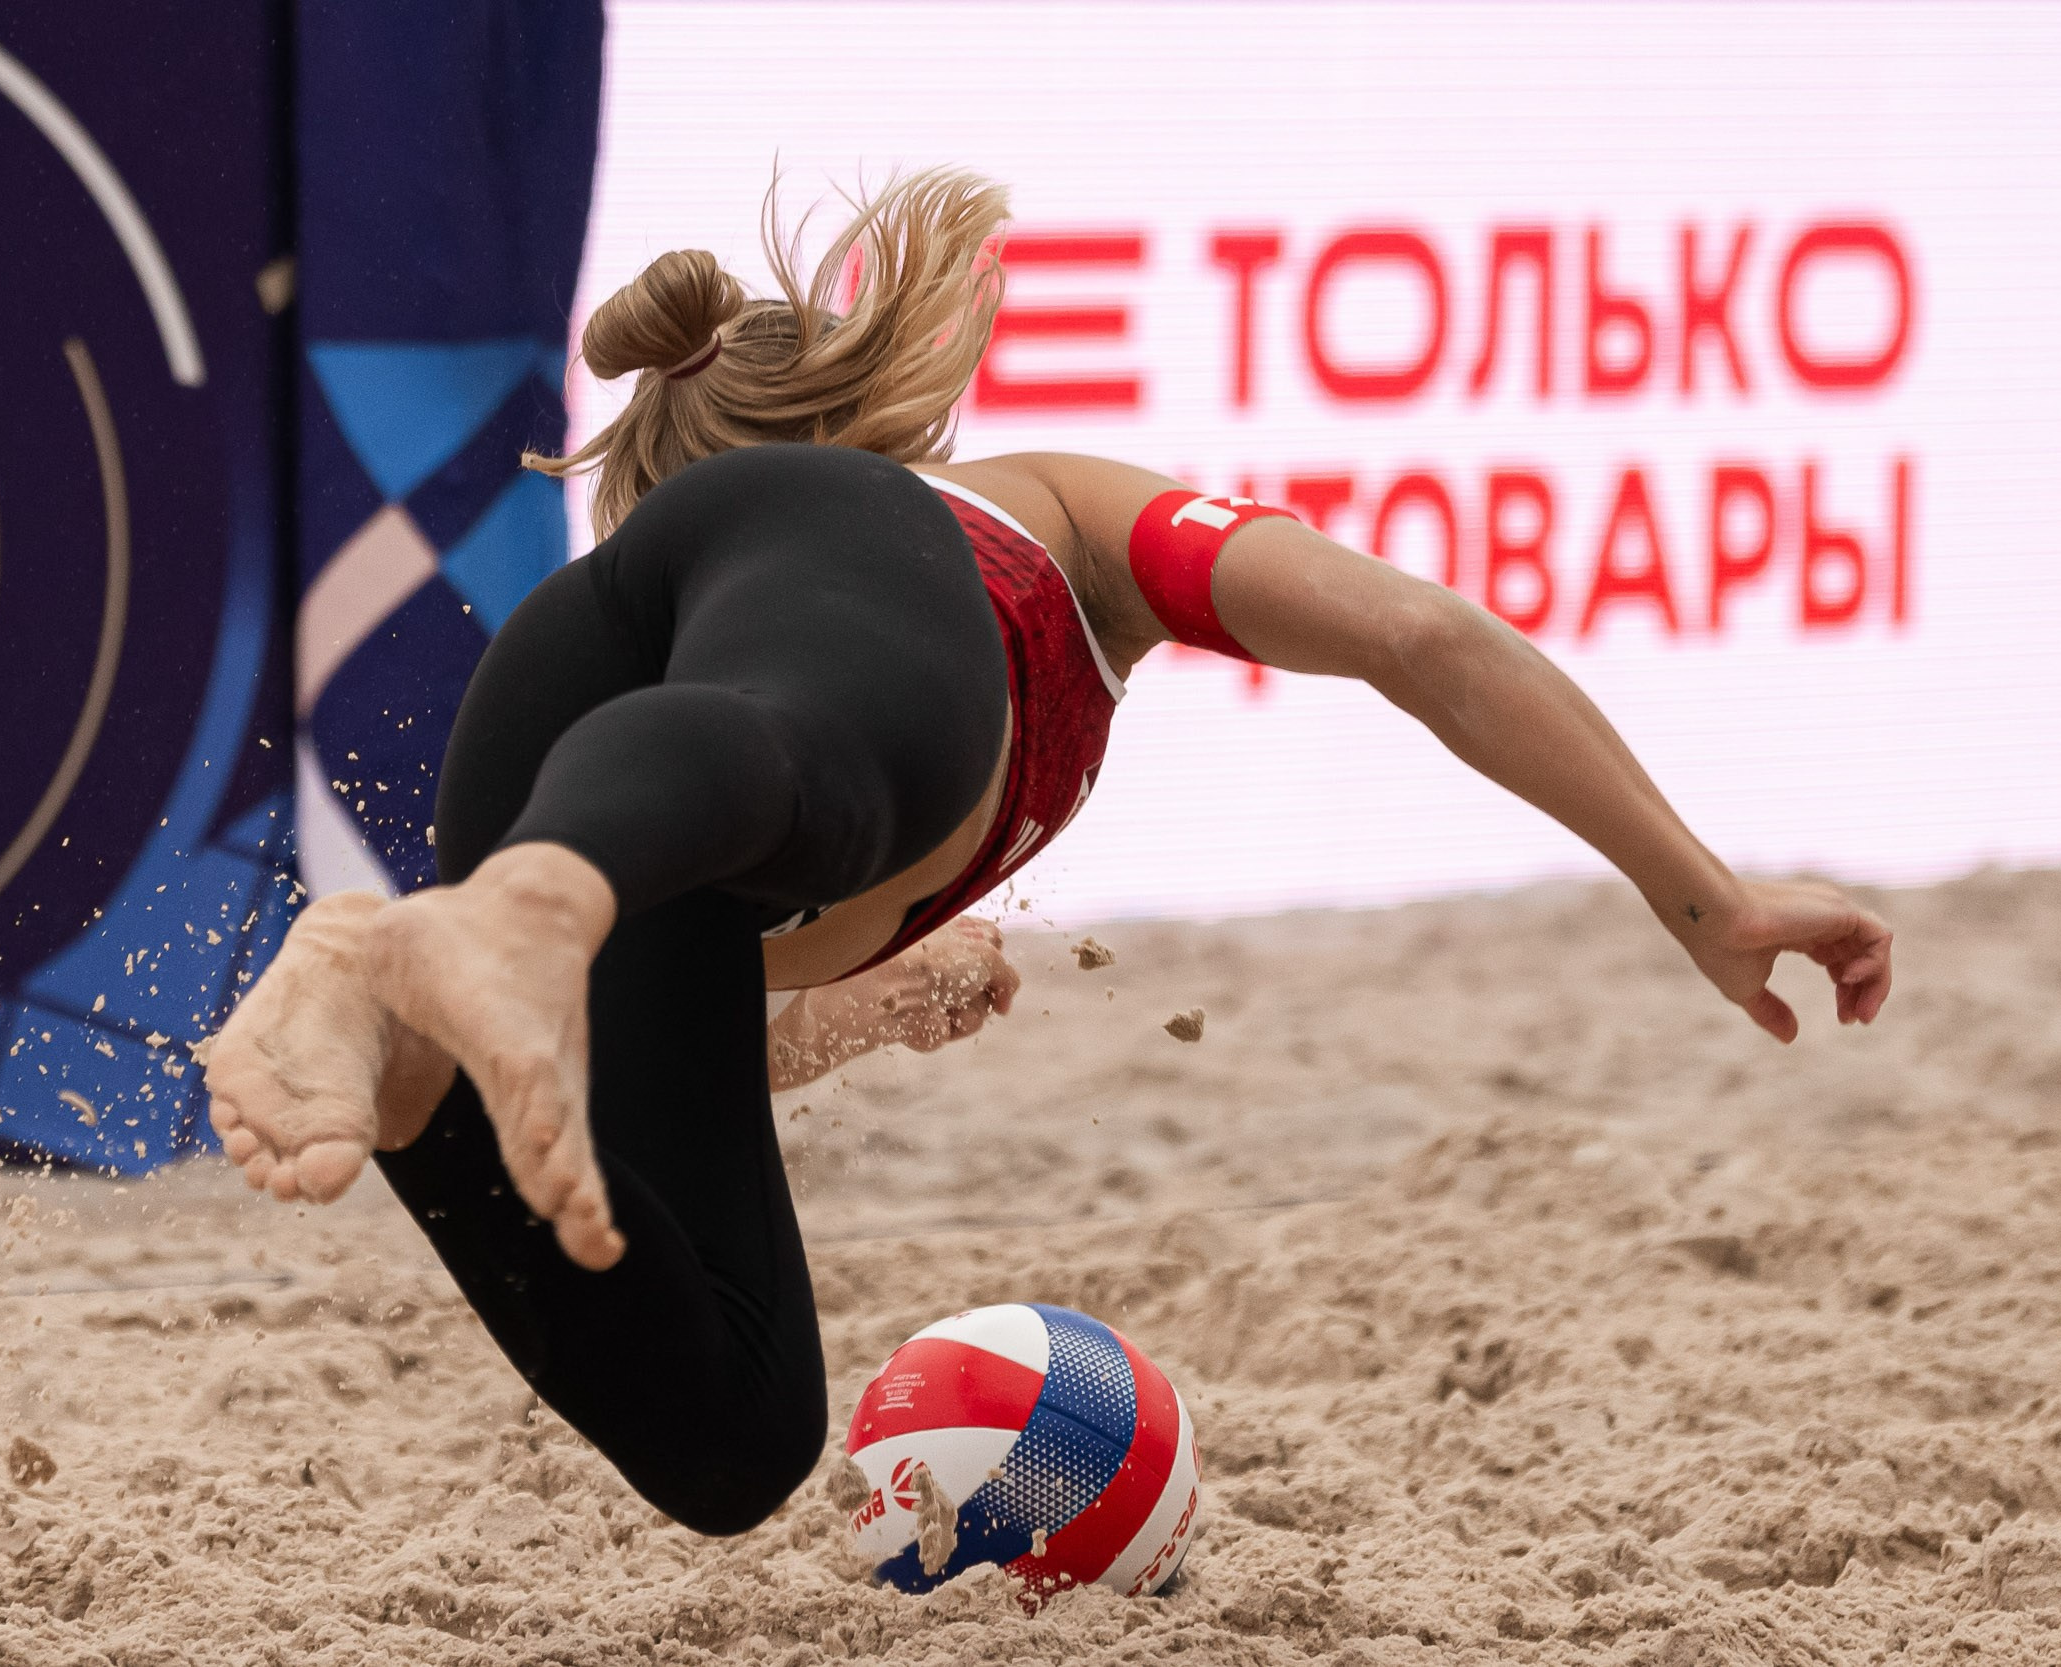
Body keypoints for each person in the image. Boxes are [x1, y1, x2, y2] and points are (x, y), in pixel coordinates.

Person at [203, 169, 1895, 1536]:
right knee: (810, 767)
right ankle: (489, 917)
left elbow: (689, 1057)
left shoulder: (732, 757)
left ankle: (412, 1066)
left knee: (737, 1444)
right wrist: (1706, 890)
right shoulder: (1028, 510)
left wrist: (873, 1001)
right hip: (580, 837)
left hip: (548, 752)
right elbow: (1425, 634)